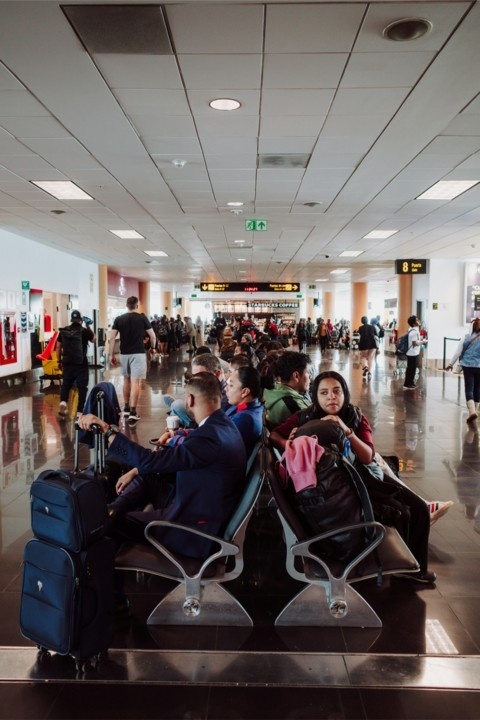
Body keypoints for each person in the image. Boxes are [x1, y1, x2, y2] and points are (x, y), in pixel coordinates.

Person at [270, 370, 439, 583]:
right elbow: (275, 434)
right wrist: (288, 443)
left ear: (344, 393)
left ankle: (416, 570)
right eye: (324, 393)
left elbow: (367, 457)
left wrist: (347, 431)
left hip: (362, 475)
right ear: (316, 396)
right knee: (400, 508)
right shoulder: (305, 417)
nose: (331, 397)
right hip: (337, 488)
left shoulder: (356, 417)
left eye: (336, 391)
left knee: (418, 508)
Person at [78, 372, 247, 560]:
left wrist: (106, 429)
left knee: (114, 523)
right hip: (195, 499)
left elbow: (150, 461)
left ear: (190, 399)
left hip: (192, 529)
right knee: (146, 475)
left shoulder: (209, 438)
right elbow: (157, 464)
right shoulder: (223, 424)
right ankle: (112, 509)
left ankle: (109, 525)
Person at [108, 296, 157, 424]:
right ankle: (133, 412)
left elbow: (112, 338)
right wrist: (152, 347)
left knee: (126, 379)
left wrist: (111, 354)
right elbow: (152, 335)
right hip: (138, 353)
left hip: (124, 354)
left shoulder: (119, 319)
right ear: (137, 305)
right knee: (136, 382)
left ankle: (126, 407)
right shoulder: (142, 318)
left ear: (126, 305)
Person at [163, 352, 230, 428]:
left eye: (201, 376)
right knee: (176, 408)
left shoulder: (225, 396)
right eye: (194, 376)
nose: (195, 381)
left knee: (177, 406)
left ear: (217, 374)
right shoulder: (211, 388)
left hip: (201, 426)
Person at [56, 310, 95, 419]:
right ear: (80, 320)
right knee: (82, 387)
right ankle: (79, 411)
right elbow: (95, 339)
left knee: (66, 384)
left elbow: (58, 347)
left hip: (67, 363)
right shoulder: (84, 331)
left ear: (71, 320)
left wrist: (59, 361)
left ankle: (63, 403)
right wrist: (88, 325)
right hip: (81, 363)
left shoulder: (63, 331)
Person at [263, 351, 312, 428]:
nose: (310, 376)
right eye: (308, 372)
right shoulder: (293, 405)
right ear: (296, 376)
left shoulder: (276, 389)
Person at [446, 317, 480, 422]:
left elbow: (458, 352)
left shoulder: (465, 337)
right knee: (478, 389)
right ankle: (475, 411)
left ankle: (472, 411)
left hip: (467, 366)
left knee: (469, 388)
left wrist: (451, 363)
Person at [225, 365, 264, 456]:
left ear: (245, 392)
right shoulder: (249, 407)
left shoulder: (244, 419)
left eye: (231, 385)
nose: (225, 388)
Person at [403, 315, 425, 390]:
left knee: (411, 369)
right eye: (417, 320)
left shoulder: (412, 329)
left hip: (412, 352)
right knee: (411, 369)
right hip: (412, 352)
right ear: (414, 323)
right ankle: (409, 384)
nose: (418, 320)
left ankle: (409, 383)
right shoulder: (414, 332)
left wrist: (421, 339)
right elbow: (414, 343)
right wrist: (423, 342)